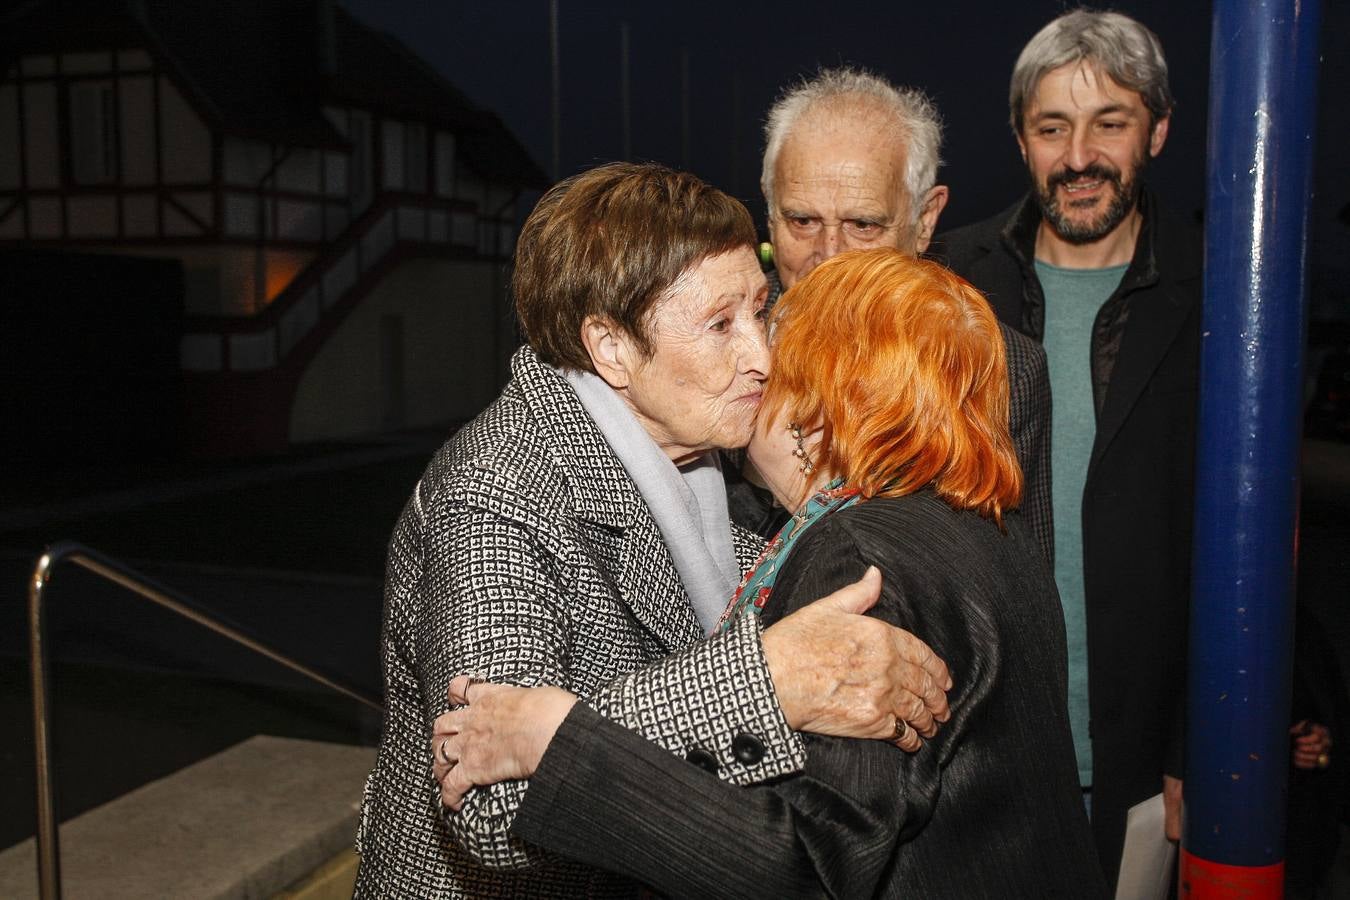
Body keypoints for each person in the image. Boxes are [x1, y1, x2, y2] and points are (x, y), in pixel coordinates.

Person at [353, 163, 952, 897]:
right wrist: (762, 684)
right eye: (719, 324)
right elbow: (489, 801)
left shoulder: (695, 462)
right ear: (610, 348)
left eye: (759, 311)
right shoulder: (495, 488)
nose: (762, 358)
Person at [433, 248, 1107, 898]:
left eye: (775, 356)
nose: (754, 367)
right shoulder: (982, 526)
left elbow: (805, 868)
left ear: (814, 411)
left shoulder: (859, 554)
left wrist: (565, 745)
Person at [932, 9, 1202, 886]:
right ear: (1021, 141)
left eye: (1110, 123)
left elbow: (1241, 549)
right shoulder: (950, 283)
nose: (1079, 156)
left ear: (1157, 131)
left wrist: (1202, 741)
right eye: (1053, 128)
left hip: (1143, 762)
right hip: (969, 749)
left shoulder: (1218, 298)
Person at [725, 67, 1053, 565]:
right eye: (802, 220)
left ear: (925, 221)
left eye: (862, 224)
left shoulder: (997, 364)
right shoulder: (721, 345)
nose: (829, 254)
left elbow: (1006, 572)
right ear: (769, 214)